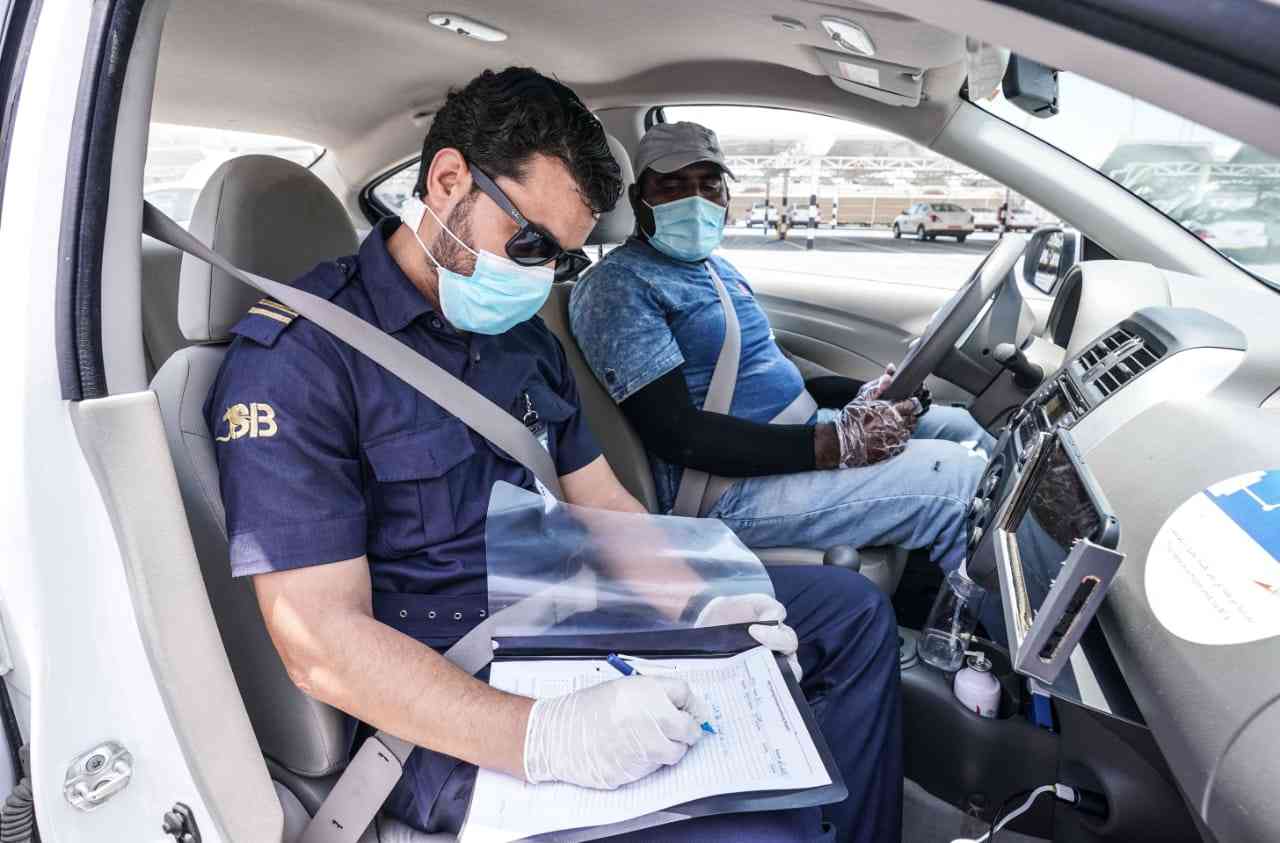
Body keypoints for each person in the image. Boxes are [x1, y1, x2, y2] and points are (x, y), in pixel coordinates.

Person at [205, 69, 900, 843]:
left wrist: (704, 602)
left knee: (850, 614)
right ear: (447, 180)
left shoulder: (525, 341)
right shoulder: (298, 361)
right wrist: (548, 735)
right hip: (446, 690)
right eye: (530, 243)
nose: (537, 278)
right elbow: (322, 641)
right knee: (763, 833)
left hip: (571, 617)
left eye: (560, 260)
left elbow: (602, 507)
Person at [569, 121, 994, 577]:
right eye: (672, 186)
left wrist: (865, 393)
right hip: (724, 488)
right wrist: (836, 443)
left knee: (959, 427)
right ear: (639, 199)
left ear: (726, 198)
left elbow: (778, 369)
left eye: (709, 186)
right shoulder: (617, 287)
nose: (694, 200)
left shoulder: (717, 269)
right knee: (957, 482)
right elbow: (677, 433)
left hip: (793, 435)